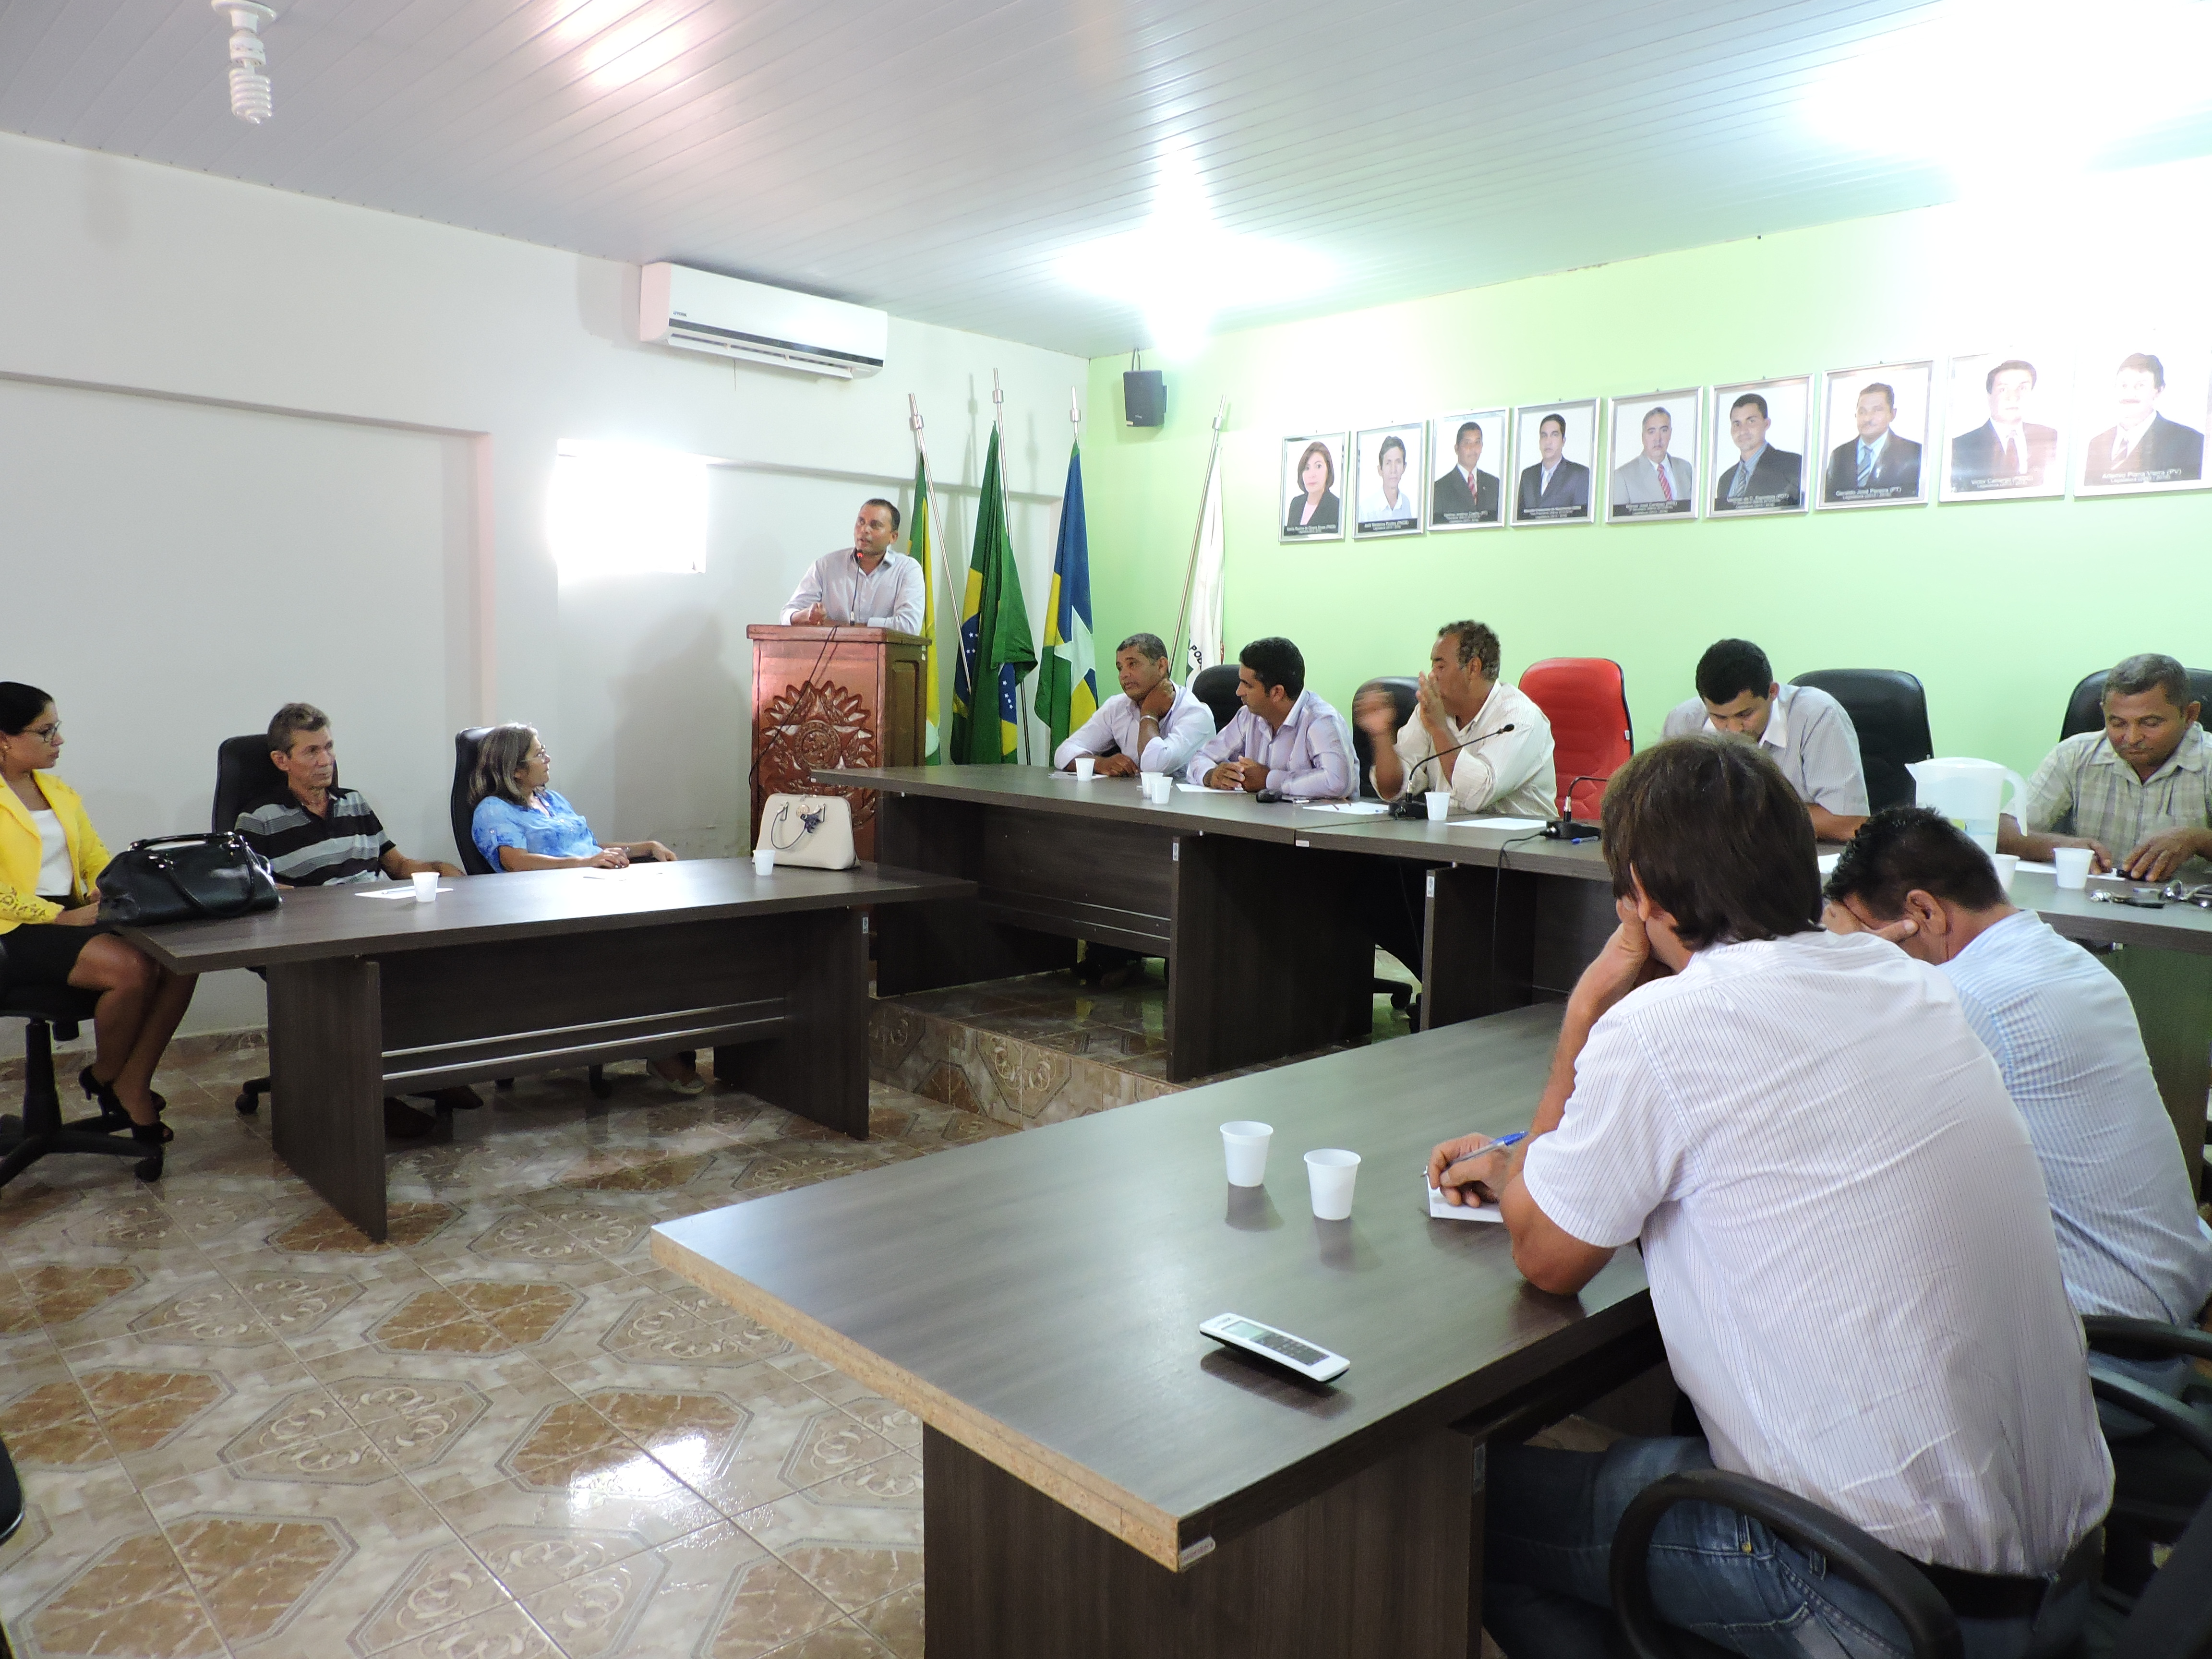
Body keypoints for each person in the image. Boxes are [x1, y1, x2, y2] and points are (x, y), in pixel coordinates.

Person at [1428, 736, 2111, 1659]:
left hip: (1876, 1590)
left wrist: (1587, 1011)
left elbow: (1546, 1258)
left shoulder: (1662, 1026)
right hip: (2056, 1570)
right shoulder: (1903, 981)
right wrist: (1532, 1168)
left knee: (1453, 1513)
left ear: (1641, 895)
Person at [1822, 808, 2212, 1404]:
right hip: (2163, 1321)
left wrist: (1848, 974)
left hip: (2098, 1363)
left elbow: (1844, 1149)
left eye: (1868, 938)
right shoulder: (2062, 958)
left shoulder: (1967, 1000)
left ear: (1923, 913)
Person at [235, 702, 476, 1136]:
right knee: (365, 980)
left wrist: (442, 870)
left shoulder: (354, 803)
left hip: (375, 923)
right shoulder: (259, 819)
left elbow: (398, 866)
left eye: (329, 748)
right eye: (311, 752)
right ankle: (374, 1099)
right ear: (281, 761)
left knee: (440, 963)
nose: (326, 760)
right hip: (313, 937)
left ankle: (427, 1075)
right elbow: (258, 890)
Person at [0, 683, 195, 1172]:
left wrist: (106, 888)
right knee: (130, 968)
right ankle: (109, 1078)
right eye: (47, 731)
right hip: (12, 930)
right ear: (4, 739)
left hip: (70, 918)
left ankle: (128, 1078)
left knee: (182, 958)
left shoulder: (57, 792)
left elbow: (93, 856)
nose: (58, 740)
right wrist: (59, 916)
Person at [467, 723, 700, 1094]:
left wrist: (643, 846)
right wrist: (583, 865)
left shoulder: (552, 800)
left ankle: (674, 1035)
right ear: (515, 770)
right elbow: (514, 861)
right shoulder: (492, 810)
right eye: (539, 754)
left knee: (676, 930)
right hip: (547, 912)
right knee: (638, 950)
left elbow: (589, 847)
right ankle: (659, 1050)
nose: (548, 759)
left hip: (594, 895)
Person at [1351, 622, 1555, 980]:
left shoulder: (1519, 718)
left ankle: (1450, 989)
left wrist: (1439, 731)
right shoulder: (1434, 711)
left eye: (1440, 665)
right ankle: (1439, 986)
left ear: (1473, 668)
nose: (1432, 674)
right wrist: (1381, 734)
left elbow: (1478, 794)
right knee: (1370, 884)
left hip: (1517, 864)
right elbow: (1395, 787)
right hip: (1451, 848)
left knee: (1418, 888)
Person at [2001, 651, 2212, 879]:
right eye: (2118, 723)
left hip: (2187, 906)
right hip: (2088, 900)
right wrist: (2059, 846)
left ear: (2190, 715)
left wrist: (2198, 840)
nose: (2131, 738)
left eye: (2150, 723)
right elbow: (2003, 832)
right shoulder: (2074, 755)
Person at [1659, 639, 1869, 840]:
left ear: (1772, 692)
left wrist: (1736, 818)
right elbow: (1659, 810)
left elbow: (1848, 822)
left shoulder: (1818, 715)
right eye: (1720, 718)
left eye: (1745, 714)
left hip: (1799, 857)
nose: (1733, 729)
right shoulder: (1684, 722)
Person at [1185, 638, 1353, 800]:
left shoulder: (1321, 720)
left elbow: (1337, 781)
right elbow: (1200, 758)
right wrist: (1211, 775)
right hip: (1255, 821)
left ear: (1277, 693)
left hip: (1315, 826)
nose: (1238, 692)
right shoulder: (1248, 716)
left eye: (1247, 685)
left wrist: (1269, 780)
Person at [1052, 633, 1214, 778]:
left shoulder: (1196, 714)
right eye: (1120, 668)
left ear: (1161, 666)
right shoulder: (1117, 707)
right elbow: (1063, 753)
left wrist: (1149, 713)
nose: (1124, 675)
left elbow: (1153, 768)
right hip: (1134, 804)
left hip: (1187, 808)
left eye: (1133, 664)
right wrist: (1100, 764)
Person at [781, 499, 925, 631]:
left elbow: (909, 626)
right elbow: (786, 617)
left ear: (893, 537)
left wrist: (846, 628)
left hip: (886, 657)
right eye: (861, 522)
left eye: (875, 525)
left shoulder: (907, 570)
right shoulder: (826, 566)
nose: (864, 530)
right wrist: (807, 616)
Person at [2081, 353, 2205, 487]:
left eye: (2140, 386)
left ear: (2159, 390)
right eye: (2124, 386)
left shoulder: (2191, 442)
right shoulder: (2097, 444)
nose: (2130, 393)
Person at [1950, 358, 2059, 492]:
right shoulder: (1961, 447)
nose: (2013, 397)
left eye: (2022, 388)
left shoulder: (2051, 438)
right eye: (2003, 390)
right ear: (1989, 397)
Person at [1821, 380, 1922, 502]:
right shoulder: (1839, 455)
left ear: (1893, 414)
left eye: (1877, 410)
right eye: (1862, 412)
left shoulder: (1913, 452)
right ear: (1856, 415)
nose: (1868, 418)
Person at [1710, 391, 1802, 511]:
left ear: (1767, 424)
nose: (1743, 430)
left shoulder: (1793, 465)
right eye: (1737, 424)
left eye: (1751, 421)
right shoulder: (1725, 480)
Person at [1607, 406, 1693, 510]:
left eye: (1664, 430)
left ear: (1671, 433)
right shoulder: (1623, 477)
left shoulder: (1685, 468)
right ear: (1643, 437)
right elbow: (1619, 524)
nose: (1658, 439)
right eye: (1651, 432)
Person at [1515, 412, 1590, 517]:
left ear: (1563, 441)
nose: (1548, 441)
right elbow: (1520, 517)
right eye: (1544, 436)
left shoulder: (1579, 474)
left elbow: (1582, 518)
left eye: (1554, 435)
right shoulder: (1528, 475)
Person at [1431, 420, 1501, 525]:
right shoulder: (1440, 488)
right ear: (1457, 449)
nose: (1473, 449)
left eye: (1477, 442)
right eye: (1468, 443)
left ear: (1482, 447)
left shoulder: (1494, 484)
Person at [1358, 434, 1416, 526]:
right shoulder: (1366, 509)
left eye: (1398, 462)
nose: (1394, 470)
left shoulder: (1406, 502)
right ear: (1380, 470)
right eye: (1388, 463)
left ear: (1404, 467)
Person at [1284, 442, 1340, 534]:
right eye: (1307, 468)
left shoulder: (1337, 506)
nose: (1312, 475)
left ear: (1328, 470)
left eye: (1318, 466)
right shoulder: (1296, 504)